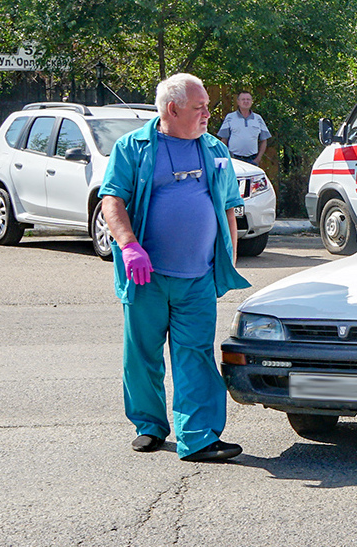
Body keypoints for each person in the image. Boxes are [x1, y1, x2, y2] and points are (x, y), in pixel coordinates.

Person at [98, 73, 251, 462]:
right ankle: (149, 426)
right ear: (173, 109)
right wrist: (129, 246)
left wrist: (227, 257)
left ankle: (198, 437)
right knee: (142, 354)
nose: (207, 114)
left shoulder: (214, 148)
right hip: (145, 276)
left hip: (197, 277)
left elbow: (229, 208)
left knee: (195, 355)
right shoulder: (133, 147)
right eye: (200, 107)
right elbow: (111, 201)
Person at [216, 92, 271, 166]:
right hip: (234, 158)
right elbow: (224, 140)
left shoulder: (258, 119)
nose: (246, 101)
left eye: (248, 99)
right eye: (243, 99)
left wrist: (258, 159)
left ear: (251, 102)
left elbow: (264, 140)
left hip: (252, 159)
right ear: (238, 102)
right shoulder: (230, 117)